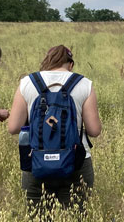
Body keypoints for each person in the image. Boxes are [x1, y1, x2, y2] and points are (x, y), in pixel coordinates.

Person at [7, 45, 102, 210]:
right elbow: (94, 130)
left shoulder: (28, 82)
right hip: (76, 161)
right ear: (70, 64)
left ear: (47, 61)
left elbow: (13, 127)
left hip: (35, 160)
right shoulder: (84, 83)